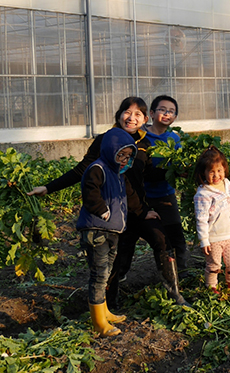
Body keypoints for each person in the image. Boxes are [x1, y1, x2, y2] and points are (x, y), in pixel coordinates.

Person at [28, 97, 189, 309]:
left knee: (162, 240)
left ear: (145, 119)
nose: (131, 118)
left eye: (137, 115)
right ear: (119, 114)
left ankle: (175, 297)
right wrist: (49, 187)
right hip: (113, 213)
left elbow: (148, 174)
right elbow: (83, 169)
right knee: (118, 259)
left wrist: (181, 172)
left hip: (140, 210)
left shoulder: (144, 144)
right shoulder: (105, 139)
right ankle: (108, 305)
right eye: (127, 112)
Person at [77, 128, 148, 337]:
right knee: (99, 275)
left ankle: (104, 312)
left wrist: (144, 212)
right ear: (110, 150)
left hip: (112, 231)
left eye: (128, 156)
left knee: (106, 271)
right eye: (121, 154)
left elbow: (131, 196)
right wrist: (102, 210)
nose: (125, 159)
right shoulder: (97, 169)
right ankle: (98, 322)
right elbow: (90, 191)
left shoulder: (119, 174)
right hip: (96, 230)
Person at [193, 146, 230, 297]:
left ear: (224, 169)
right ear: (204, 173)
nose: (216, 175)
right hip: (213, 238)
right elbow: (201, 219)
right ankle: (211, 290)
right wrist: (204, 240)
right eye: (211, 172)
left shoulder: (226, 184)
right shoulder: (203, 193)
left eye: (219, 170)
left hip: (229, 236)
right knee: (214, 265)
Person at [143, 95, 188, 269]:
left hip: (165, 194)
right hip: (143, 195)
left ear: (175, 117)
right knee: (155, 237)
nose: (166, 114)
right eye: (162, 110)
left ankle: (181, 272)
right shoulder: (142, 137)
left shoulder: (174, 138)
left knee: (176, 234)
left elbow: (179, 164)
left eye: (171, 111)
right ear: (152, 114)